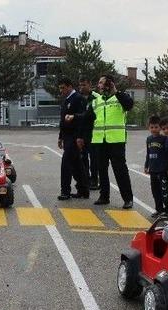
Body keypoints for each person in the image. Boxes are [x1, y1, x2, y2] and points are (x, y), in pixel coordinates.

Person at [88, 74, 135, 209]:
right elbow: (88, 118)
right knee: (101, 170)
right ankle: (104, 196)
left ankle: (128, 199)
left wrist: (115, 91)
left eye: (102, 82)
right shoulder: (97, 101)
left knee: (120, 171)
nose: (99, 85)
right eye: (99, 82)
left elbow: (129, 105)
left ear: (111, 84)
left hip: (116, 141)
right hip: (100, 141)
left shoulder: (120, 97)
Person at [57, 78, 89, 200]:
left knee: (66, 163)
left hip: (75, 136)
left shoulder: (78, 98)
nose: (61, 90)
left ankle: (65, 191)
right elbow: (63, 120)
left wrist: (80, 137)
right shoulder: (66, 100)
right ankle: (83, 190)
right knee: (77, 165)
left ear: (70, 86)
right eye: (60, 88)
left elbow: (83, 119)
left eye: (63, 88)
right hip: (67, 136)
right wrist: (60, 137)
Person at [144, 115, 168, 217]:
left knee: (164, 191)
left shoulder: (164, 139)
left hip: (162, 170)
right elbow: (148, 153)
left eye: (156, 127)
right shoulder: (149, 139)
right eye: (151, 127)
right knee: (155, 191)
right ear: (149, 127)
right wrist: (146, 165)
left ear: (160, 128)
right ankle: (159, 209)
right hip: (153, 169)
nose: (154, 129)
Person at [77, 77, 100, 190]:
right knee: (83, 157)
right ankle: (85, 179)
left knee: (94, 158)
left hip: (93, 132)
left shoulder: (96, 97)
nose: (81, 87)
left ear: (90, 84)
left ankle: (94, 180)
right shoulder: (78, 98)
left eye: (84, 85)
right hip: (82, 132)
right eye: (80, 85)